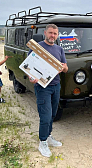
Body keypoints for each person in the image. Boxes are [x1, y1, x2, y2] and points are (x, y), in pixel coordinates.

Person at [28, 24, 68, 157]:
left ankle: (48, 136)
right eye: (50, 33)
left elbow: (66, 67)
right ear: (45, 33)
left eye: (55, 34)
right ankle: (42, 142)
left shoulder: (59, 49)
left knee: (52, 114)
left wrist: (63, 68)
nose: (52, 36)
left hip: (56, 85)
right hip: (42, 87)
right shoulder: (37, 47)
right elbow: (29, 67)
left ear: (57, 35)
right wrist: (31, 77)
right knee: (45, 116)